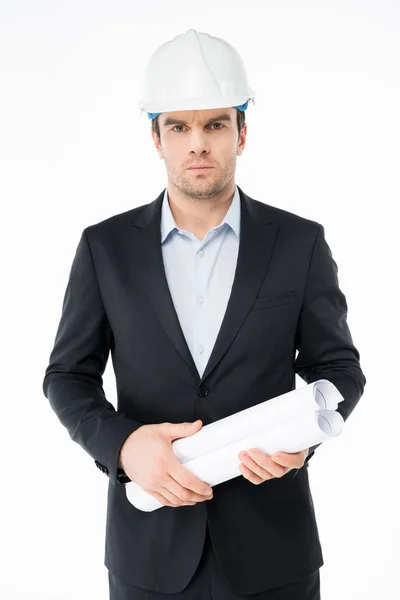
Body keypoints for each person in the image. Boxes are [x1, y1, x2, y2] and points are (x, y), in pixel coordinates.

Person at [42, 29, 367, 599]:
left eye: (215, 124)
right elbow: (67, 376)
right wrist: (121, 445)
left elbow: (339, 367)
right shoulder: (105, 248)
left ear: (242, 134)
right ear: (156, 138)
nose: (197, 143)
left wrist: (305, 439)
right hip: (150, 551)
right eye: (179, 127)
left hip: (274, 551)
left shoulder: (298, 244)